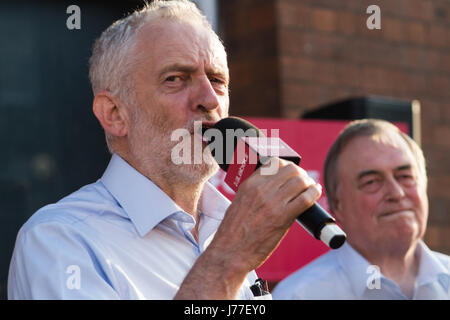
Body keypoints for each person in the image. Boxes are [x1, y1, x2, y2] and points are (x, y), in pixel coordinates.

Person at [8, 0, 322, 299]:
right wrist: (228, 259)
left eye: (217, 80)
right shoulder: (59, 239)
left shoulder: (226, 222)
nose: (209, 100)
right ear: (115, 114)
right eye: (175, 79)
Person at [273, 119, 450, 300]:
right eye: (371, 182)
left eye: (405, 176)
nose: (396, 193)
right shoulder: (299, 296)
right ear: (337, 204)